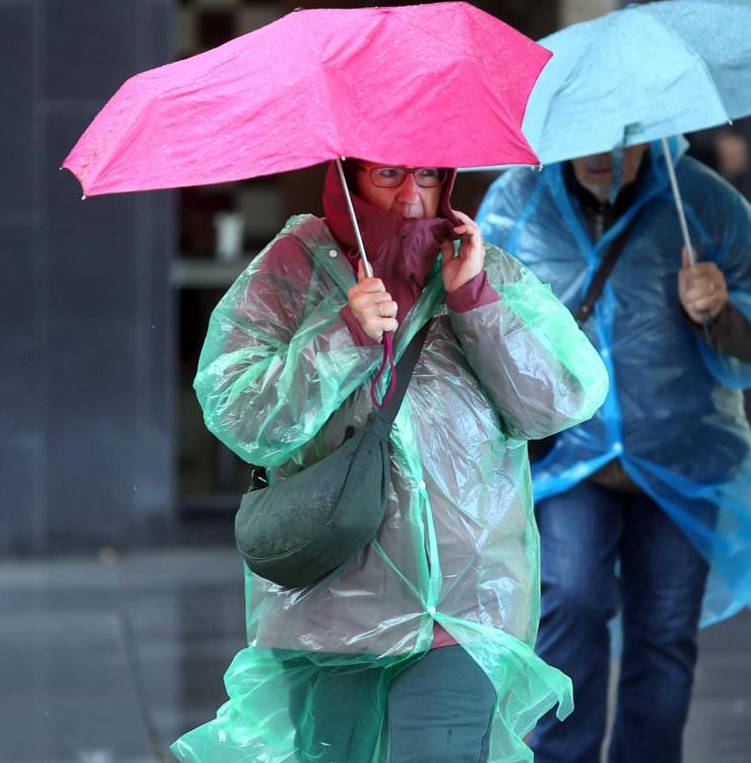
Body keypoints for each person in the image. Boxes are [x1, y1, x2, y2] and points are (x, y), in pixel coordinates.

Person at [172, 159, 609, 762]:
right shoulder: (295, 265)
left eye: (429, 175)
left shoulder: (476, 264)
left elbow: (560, 399)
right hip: (330, 604)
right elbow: (237, 410)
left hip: (463, 606)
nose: (410, 195)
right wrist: (340, 333)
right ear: (350, 178)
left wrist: (474, 300)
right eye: (388, 175)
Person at [476, 137, 751, 763]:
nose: (602, 152)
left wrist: (721, 310)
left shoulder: (700, 200)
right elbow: (472, 312)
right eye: (586, 136)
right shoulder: (517, 203)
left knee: (664, 632)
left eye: (620, 138)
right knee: (571, 601)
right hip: (571, 461)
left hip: (684, 461)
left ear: (650, 132)